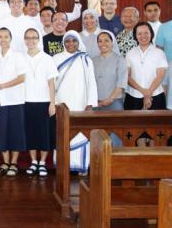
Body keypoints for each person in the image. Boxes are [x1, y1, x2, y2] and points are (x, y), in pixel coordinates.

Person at [51, 30, 97, 174]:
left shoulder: (85, 59)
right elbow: (51, 82)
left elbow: (91, 82)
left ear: (78, 42)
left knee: (80, 134)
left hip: (80, 102)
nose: (70, 44)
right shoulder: (56, 58)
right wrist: (53, 102)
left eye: (74, 41)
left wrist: (90, 103)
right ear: (63, 43)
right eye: (67, 41)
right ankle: (63, 166)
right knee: (62, 133)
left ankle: (80, 166)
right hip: (61, 102)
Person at [0, 28, 27, 177]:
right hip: (0, 101)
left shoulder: (18, 56)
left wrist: (1, 86)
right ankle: (5, 162)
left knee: (15, 132)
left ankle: (14, 163)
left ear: (10, 39)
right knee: (2, 132)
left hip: (15, 100)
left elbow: (21, 78)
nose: (3, 39)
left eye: (6, 36)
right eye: (1, 36)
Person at [22, 28, 57, 177]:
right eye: (28, 38)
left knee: (44, 134)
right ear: (24, 40)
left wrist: (52, 103)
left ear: (38, 39)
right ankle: (33, 161)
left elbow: (51, 83)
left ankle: (42, 162)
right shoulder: (20, 58)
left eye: (34, 37)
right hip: (26, 101)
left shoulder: (47, 58)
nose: (31, 40)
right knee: (30, 134)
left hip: (44, 101)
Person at [125, 22, 168, 110]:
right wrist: (143, 91)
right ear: (135, 36)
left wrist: (148, 93)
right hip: (133, 95)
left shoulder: (159, 52)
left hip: (156, 95)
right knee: (132, 123)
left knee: (156, 123)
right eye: (139, 33)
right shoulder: (130, 53)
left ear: (151, 34)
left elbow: (160, 76)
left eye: (146, 33)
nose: (143, 36)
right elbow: (127, 76)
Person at [92, 31, 127, 111]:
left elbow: (121, 84)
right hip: (96, 103)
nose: (103, 43)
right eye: (100, 41)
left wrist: (110, 99)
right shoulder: (93, 61)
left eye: (106, 40)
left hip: (114, 102)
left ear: (112, 42)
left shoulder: (120, 60)